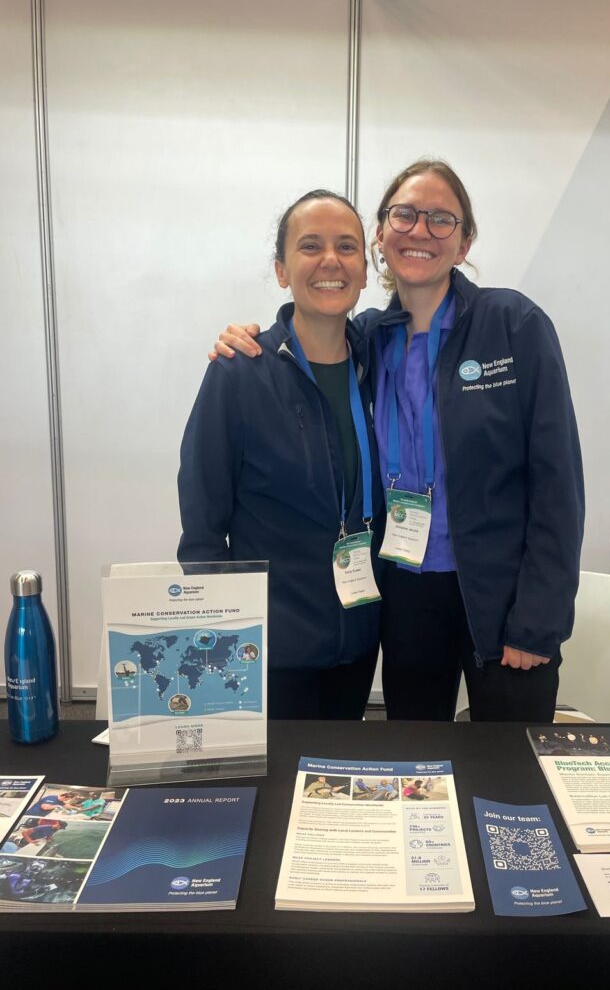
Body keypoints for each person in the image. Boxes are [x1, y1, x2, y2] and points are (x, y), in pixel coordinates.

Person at [209, 160, 584, 722]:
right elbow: (309, 346)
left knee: (512, 784)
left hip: (501, 600)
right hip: (405, 596)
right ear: (382, 237)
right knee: (417, 768)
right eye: (404, 215)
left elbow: (559, 484)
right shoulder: (368, 341)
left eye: (441, 219)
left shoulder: (514, 325)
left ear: (464, 242)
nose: (420, 231)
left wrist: (538, 619)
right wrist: (248, 337)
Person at [178, 191, 384, 720]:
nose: (330, 261)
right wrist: (225, 635)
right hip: (268, 653)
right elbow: (203, 527)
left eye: (347, 247)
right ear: (281, 270)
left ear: (365, 270)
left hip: (359, 640)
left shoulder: (380, 364)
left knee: (335, 787)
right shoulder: (240, 371)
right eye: (310, 246)